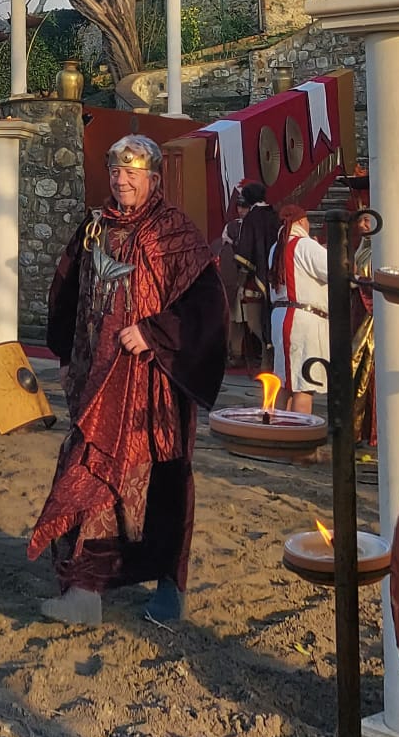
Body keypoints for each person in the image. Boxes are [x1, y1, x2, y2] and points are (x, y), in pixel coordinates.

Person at [29, 134, 227, 627]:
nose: (122, 181)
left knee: (161, 480)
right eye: (116, 172)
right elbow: (66, 289)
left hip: (153, 388)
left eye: (132, 173)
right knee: (87, 472)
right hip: (97, 379)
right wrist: (64, 352)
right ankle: (84, 591)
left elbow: (207, 307)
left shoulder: (173, 232)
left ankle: (169, 586)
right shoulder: (95, 229)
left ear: (153, 179)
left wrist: (155, 332)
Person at [269, 204, 329, 414]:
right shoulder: (305, 245)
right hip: (302, 318)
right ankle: (299, 431)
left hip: (281, 315)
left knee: (285, 382)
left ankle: (278, 428)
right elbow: (335, 270)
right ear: (302, 221)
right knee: (304, 383)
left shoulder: (275, 248)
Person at [229, 180, 280, 373]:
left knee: (254, 321)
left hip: (256, 277)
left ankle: (268, 354)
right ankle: (269, 356)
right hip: (275, 274)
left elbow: (246, 253)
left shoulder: (251, 219)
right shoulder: (274, 215)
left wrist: (240, 280)